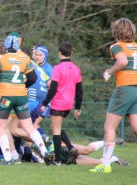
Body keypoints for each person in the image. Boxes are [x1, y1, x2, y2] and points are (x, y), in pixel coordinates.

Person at [0, 35, 54, 165]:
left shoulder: (1, 59)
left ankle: (8, 158)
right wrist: (22, 86)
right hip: (22, 95)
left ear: (5, 46)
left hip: (6, 96)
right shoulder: (24, 59)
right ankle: (45, 151)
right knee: (28, 126)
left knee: (0, 127)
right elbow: (33, 78)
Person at [90, 18, 137, 173]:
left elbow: (122, 61)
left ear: (117, 31)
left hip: (125, 88)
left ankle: (105, 164)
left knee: (109, 127)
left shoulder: (117, 47)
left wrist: (109, 72)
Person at [41, 41, 83, 166]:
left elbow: (53, 89)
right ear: (71, 53)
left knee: (56, 130)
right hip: (68, 104)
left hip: (58, 103)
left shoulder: (57, 68)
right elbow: (80, 90)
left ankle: (58, 160)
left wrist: (44, 103)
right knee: (54, 127)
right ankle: (70, 148)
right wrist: (78, 108)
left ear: (59, 53)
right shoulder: (76, 69)